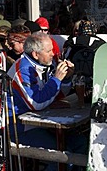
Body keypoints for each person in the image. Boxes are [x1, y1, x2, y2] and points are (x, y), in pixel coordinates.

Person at [7, 32, 86, 171]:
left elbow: (57, 94)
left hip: (40, 121)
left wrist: (66, 78)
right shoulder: (23, 69)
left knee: (82, 143)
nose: (52, 54)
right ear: (35, 54)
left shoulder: (44, 63)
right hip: (19, 127)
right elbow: (36, 103)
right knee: (62, 156)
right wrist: (56, 79)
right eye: (49, 51)